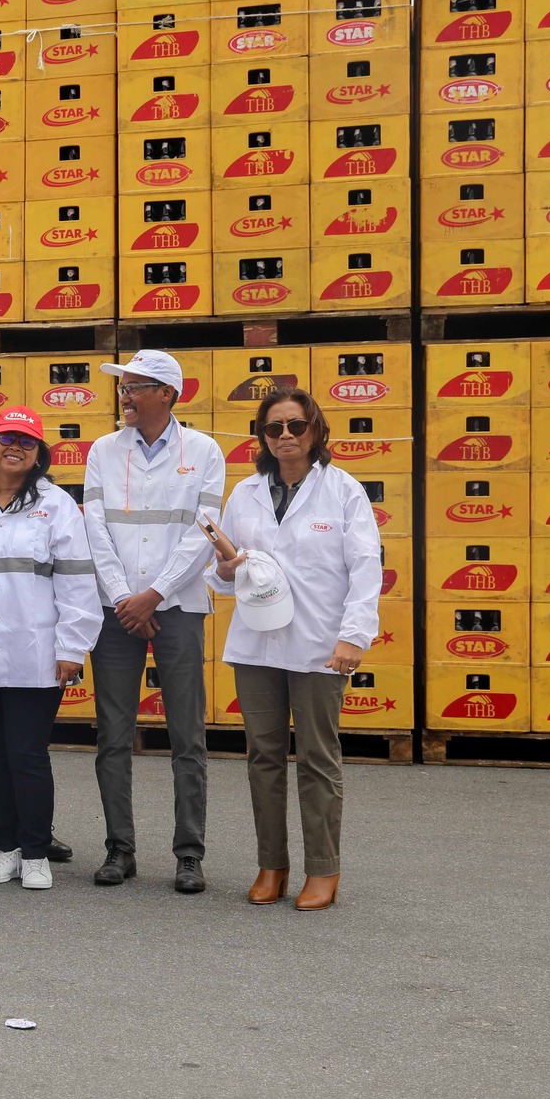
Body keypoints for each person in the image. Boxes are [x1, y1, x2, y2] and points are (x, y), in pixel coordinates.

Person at [208, 387, 380, 912]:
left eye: (295, 426)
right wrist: (226, 568)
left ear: (315, 430)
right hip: (257, 645)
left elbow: (366, 568)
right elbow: (221, 578)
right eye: (274, 428)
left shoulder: (343, 491)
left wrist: (354, 636)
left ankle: (323, 869)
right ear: (261, 436)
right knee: (262, 757)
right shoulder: (245, 494)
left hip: (319, 646)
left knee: (317, 758)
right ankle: (272, 863)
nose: (285, 436)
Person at [82, 350, 227, 895]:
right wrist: (126, 599)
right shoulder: (102, 451)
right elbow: (95, 528)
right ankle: (120, 849)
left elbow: (204, 530)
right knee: (112, 736)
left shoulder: (205, 451)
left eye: (136, 386)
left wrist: (155, 594)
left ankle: (189, 853)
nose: (125, 395)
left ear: (168, 393)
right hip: (116, 609)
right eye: (123, 387)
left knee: (187, 736)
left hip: (180, 607)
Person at [0, 408, 101, 892]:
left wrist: (72, 648)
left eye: (26, 442)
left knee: (27, 754)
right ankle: (7, 848)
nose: (15, 447)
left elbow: (77, 583)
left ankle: (36, 851)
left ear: (39, 454)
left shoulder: (56, 506)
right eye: (6, 438)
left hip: (34, 653)